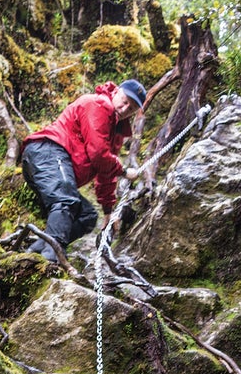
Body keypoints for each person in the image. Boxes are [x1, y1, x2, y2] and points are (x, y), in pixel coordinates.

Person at [21, 78, 147, 261]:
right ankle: (52, 259)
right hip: (47, 152)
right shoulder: (99, 105)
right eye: (125, 101)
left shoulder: (116, 131)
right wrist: (124, 172)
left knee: (86, 215)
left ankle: (35, 253)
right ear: (117, 92)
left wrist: (108, 211)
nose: (126, 108)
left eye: (132, 108)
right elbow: (98, 154)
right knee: (66, 201)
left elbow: (105, 171)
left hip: (54, 164)